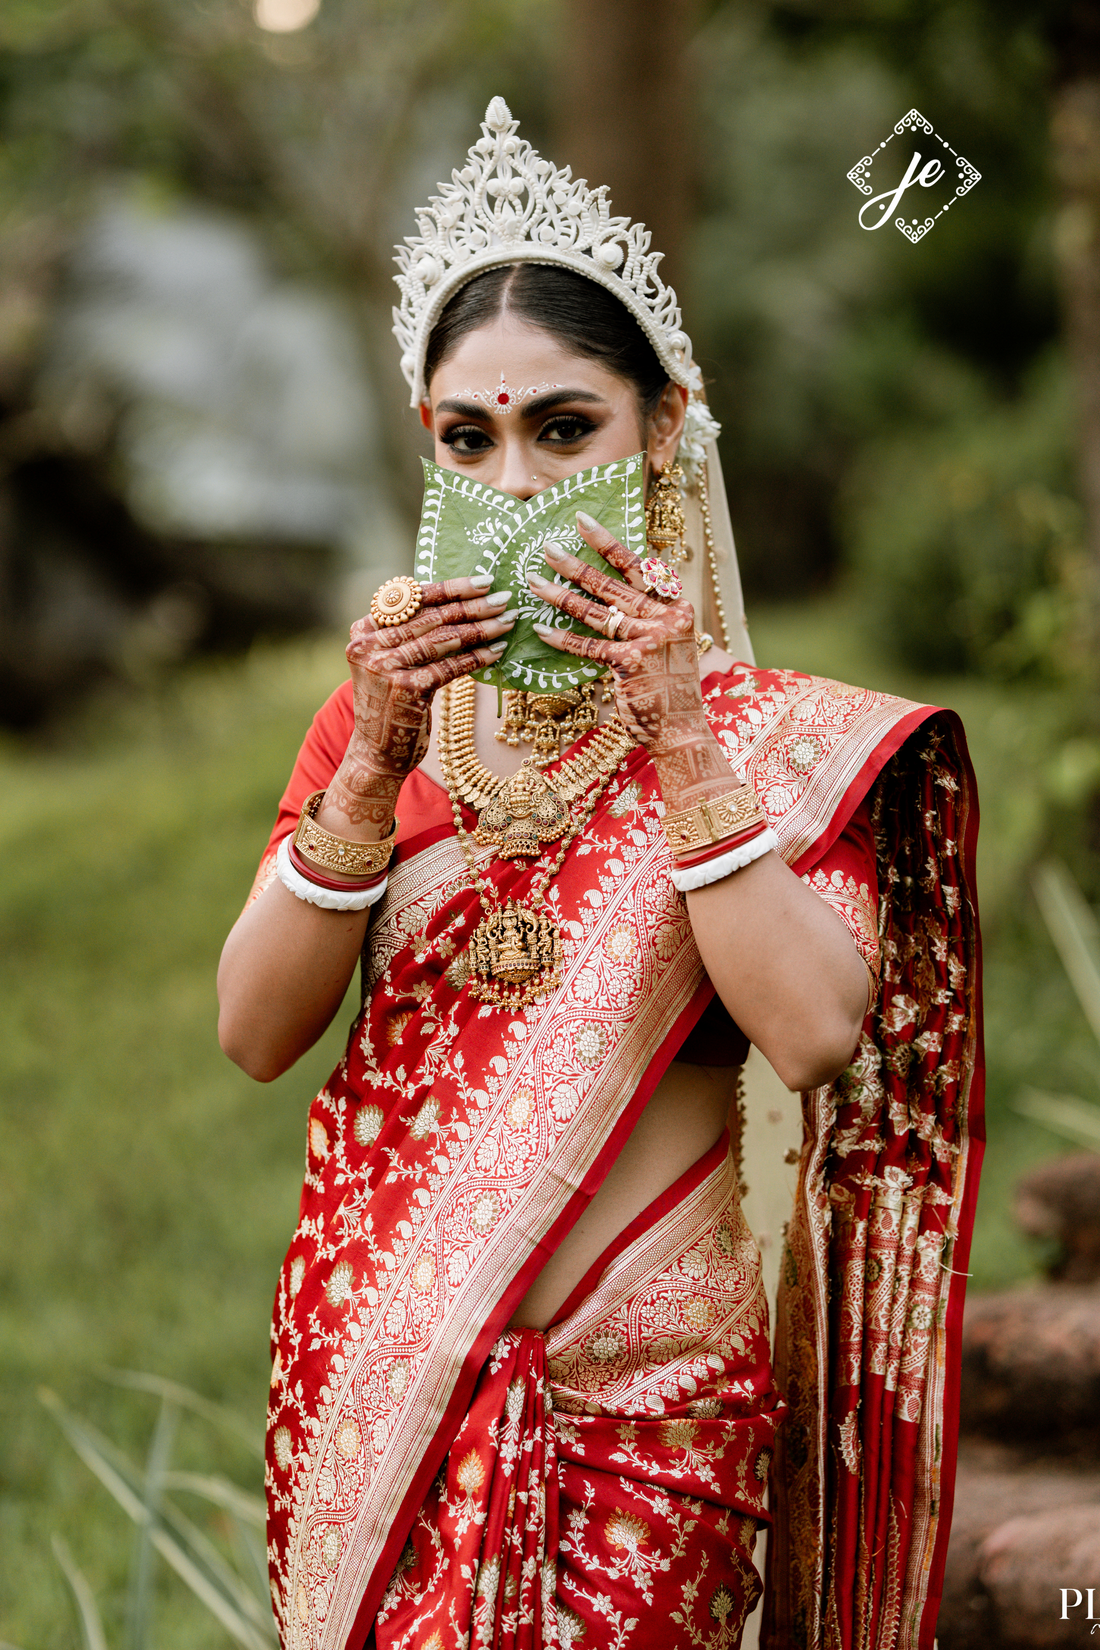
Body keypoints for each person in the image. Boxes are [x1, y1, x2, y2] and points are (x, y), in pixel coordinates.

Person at [217, 99, 983, 1650]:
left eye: (565, 429)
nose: (515, 480)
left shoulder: (767, 742)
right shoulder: (384, 723)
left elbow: (817, 1031)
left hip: (655, 1414)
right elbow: (252, 1030)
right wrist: (370, 767)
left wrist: (683, 740)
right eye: (468, 439)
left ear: (659, 434)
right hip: (388, 1378)